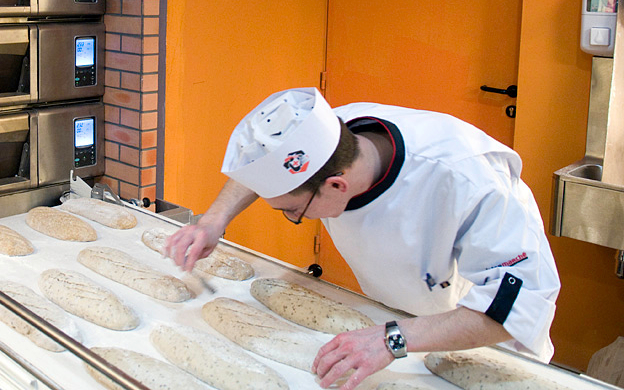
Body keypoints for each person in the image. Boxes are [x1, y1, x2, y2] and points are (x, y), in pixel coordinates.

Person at [165, 87, 560, 390]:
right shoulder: (335, 136)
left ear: (337, 186)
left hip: (484, 347)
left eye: (293, 212)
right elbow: (270, 165)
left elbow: (517, 307)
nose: (290, 217)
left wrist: (391, 340)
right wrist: (214, 220)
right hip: (396, 333)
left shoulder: (467, 180)